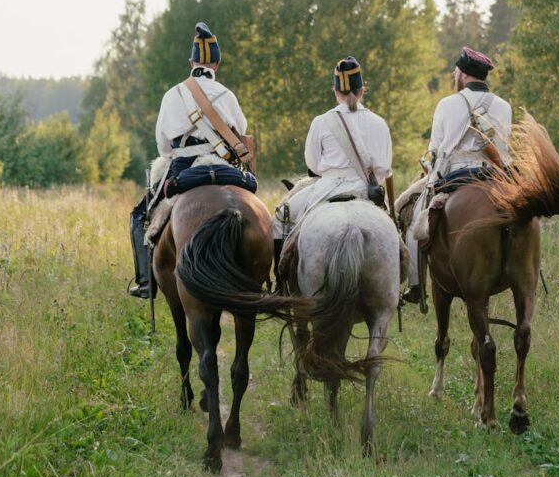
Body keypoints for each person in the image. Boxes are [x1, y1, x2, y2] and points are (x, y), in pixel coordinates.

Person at [128, 21, 251, 299]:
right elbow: (241, 134)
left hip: (183, 165)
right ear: (216, 64)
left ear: (192, 62)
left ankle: (146, 282)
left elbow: (163, 146)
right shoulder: (227, 95)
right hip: (222, 165)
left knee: (140, 216)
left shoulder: (173, 95)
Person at [402, 46, 512, 304]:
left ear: (462, 74)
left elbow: (434, 149)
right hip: (494, 175)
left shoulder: (447, 104)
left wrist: (429, 168)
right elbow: (504, 148)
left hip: (454, 175)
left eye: (455, 72)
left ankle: (416, 286)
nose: (454, 76)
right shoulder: (504, 106)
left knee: (415, 221)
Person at [272, 56, 392, 281]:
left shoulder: (321, 122)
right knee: (396, 233)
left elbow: (312, 164)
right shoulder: (378, 122)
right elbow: (384, 169)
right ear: (362, 90)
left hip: (325, 188)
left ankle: (280, 283)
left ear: (336, 91)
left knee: (280, 218)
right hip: (366, 190)